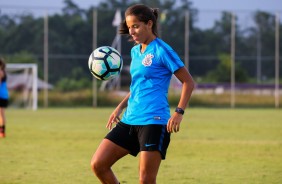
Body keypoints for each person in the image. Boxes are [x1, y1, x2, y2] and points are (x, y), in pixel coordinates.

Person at [91, 4, 195, 184]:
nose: (131, 31)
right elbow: (137, 86)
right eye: (129, 27)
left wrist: (179, 112)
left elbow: (189, 82)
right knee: (98, 164)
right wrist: (119, 107)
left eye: (136, 26)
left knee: (146, 180)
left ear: (149, 24)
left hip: (154, 122)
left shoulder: (162, 50)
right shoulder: (135, 51)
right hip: (129, 119)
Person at [0, 58, 9, 138]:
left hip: (0, 95)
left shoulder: (0, 72)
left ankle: (2, 132)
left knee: (1, 113)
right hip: (4, 95)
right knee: (1, 113)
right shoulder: (3, 72)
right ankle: (2, 131)